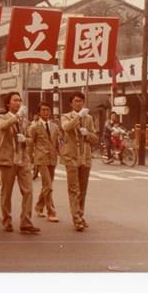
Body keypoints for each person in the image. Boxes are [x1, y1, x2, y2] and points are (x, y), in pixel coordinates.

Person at [0, 92, 40, 233]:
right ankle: (7, 220)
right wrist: (16, 116)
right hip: (8, 159)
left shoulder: (24, 121)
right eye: (15, 100)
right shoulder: (1, 116)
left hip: (23, 159)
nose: (18, 103)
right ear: (8, 103)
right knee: (6, 192)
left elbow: (30, 139)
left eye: (19, 100)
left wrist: (25, 140)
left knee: (28, 190)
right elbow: (2, 127)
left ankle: (26, 221)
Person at [60, 92, 99, 232]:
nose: (78, 103)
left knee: (83, 190)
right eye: (76, 101)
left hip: (85, 157)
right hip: (71, 157)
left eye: (81, 101)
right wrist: (78, 116)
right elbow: (66, 127)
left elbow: (95, 138)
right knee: (74, 189)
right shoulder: (66, 116)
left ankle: (80, 214)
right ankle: (76, 218)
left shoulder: (88, 118)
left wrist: (87, 134)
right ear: (71, 103)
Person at [28, 102, 60, 223]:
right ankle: (51, 212)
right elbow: (30, 144)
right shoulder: (34, 127)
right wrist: (30, 160)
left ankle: (39, 206)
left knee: (47, 185)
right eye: (43, 110)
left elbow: (58, 143)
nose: (46, 112)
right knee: (48, 185)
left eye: (48, 110)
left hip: (52, 158)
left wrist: (61, 154)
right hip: (41, 159)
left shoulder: (55, 127)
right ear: (39, 113)